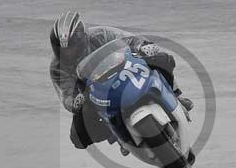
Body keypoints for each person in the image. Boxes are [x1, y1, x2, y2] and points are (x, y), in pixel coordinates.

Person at [49, 10, 193, 150]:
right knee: (78, 138)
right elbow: (66, 95)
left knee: (163, 59)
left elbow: (129, 39)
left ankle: (176, 95)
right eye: (63, 50)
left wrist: (143, 46)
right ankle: (114, 131)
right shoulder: (57, 67)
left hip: (124, 71)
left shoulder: (100, 35)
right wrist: (76, 101)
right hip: (93, 94)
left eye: (71, 48)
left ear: (83, 39)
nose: (68, 53)